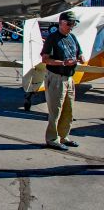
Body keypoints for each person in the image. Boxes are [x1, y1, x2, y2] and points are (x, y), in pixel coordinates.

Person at [40, 11, 84, 151]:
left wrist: (81, 57)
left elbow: (79, 53)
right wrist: (64, 63)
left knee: (68, 110)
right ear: (61, 23)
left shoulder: (72, 37)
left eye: (73, 24)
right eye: (69, 24)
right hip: (56, 77)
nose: (71, 27)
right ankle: (52, 139)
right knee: (56, 110)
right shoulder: (52, 38)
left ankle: (64, 136)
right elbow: (45, 59)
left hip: (69, 78)